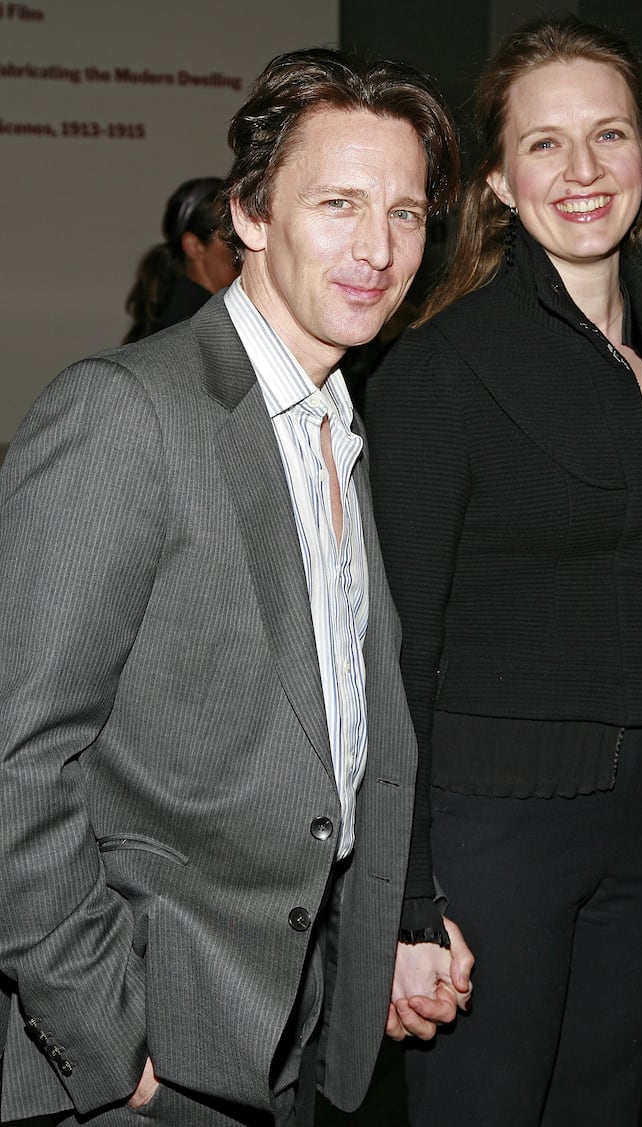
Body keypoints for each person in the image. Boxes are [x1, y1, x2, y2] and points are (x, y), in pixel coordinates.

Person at [0, 47, 472, 1127]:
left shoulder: (342, 422)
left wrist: (382, 938)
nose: (377, 248)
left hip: (291, 1020)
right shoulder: (127, 411)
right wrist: (107, 1041)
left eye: (405, 214)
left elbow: (346, 736)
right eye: (338, 203)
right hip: (145, 1049)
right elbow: (16, 756)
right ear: (251, 214)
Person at [365, 17, 642, 1127]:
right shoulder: (442, 370)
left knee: (603, 1101)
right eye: (543, 144)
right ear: (495, 179)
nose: (580, 172)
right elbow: (399, 650)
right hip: (494, 830)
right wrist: (405, 899)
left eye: (607, 135)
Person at [123, 176, 238, 343]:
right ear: (193, 246)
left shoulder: (175, 313)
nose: (244, 246)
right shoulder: (194, 326)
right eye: (231, 236)